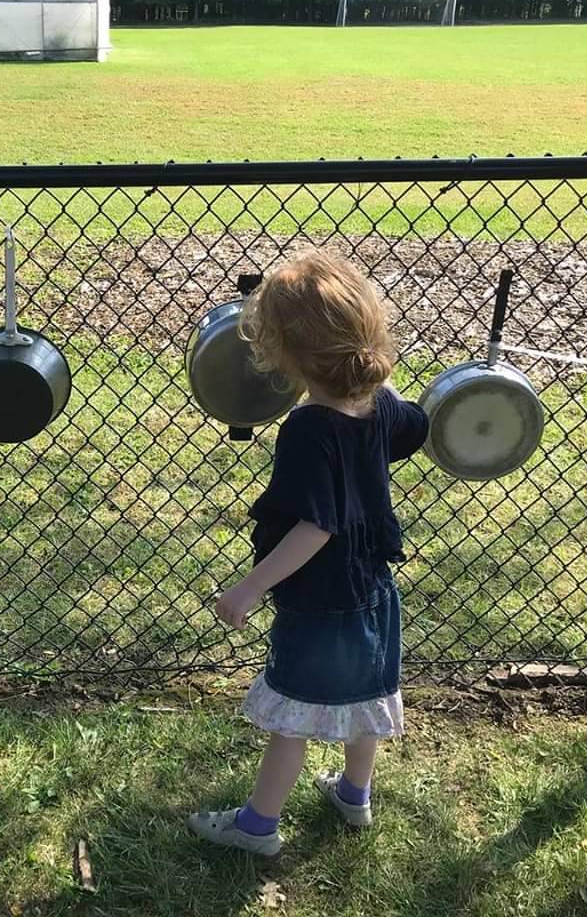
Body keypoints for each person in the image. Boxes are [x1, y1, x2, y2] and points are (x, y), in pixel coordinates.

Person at [187, 250, 428, 855]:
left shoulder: (308, 428)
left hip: (319, 599)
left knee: (291, 718)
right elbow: (416, 427)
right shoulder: (378, 407)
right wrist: (378, 380)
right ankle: (354, 795)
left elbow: (315, 526)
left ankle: (257, 828)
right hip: (374, 588)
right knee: (363, 699)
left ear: (283, 354)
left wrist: (250, 587)